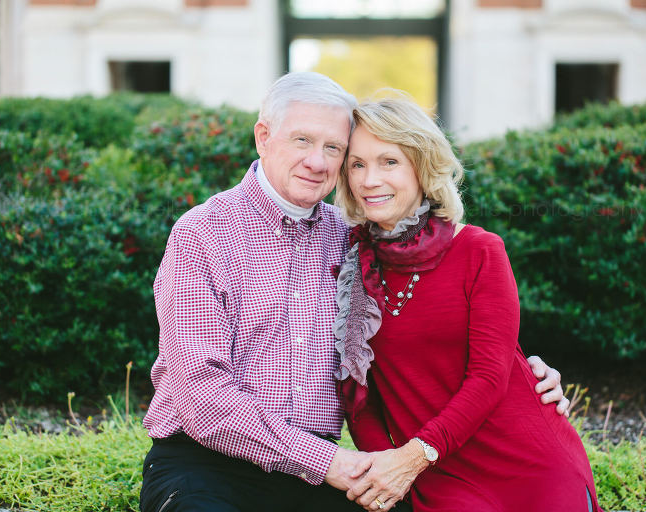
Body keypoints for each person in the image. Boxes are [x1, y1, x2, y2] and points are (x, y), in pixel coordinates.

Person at [139, 72, 570, 512]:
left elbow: (426, 322)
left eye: (334, 149)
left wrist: (526, 369)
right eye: (302, 140)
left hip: (313, 476)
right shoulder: (202, 233)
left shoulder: (352, 241)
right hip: (206, 467)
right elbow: (202, 394)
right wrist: (332, 462)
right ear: (263, 137)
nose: (317, 162)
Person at [333, 95, 601, 512]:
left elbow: (490, 376)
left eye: (389, 162)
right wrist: (384, 466)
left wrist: (411, 457)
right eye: (357, 164)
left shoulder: (479, 250)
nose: (369, 180)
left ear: (422, 167)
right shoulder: (349, 264)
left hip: (528, 461)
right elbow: (357, 392)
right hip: (441, 478)